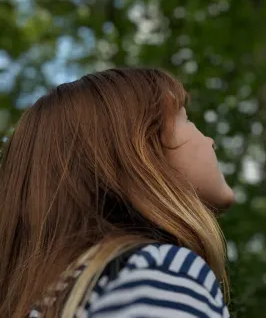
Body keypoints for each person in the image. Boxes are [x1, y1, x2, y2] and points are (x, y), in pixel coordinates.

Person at [0, 68, 235, 318]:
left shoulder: (53, 299)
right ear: (142, 152)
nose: (209, 140)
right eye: (187, 118)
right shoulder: (159, 274)